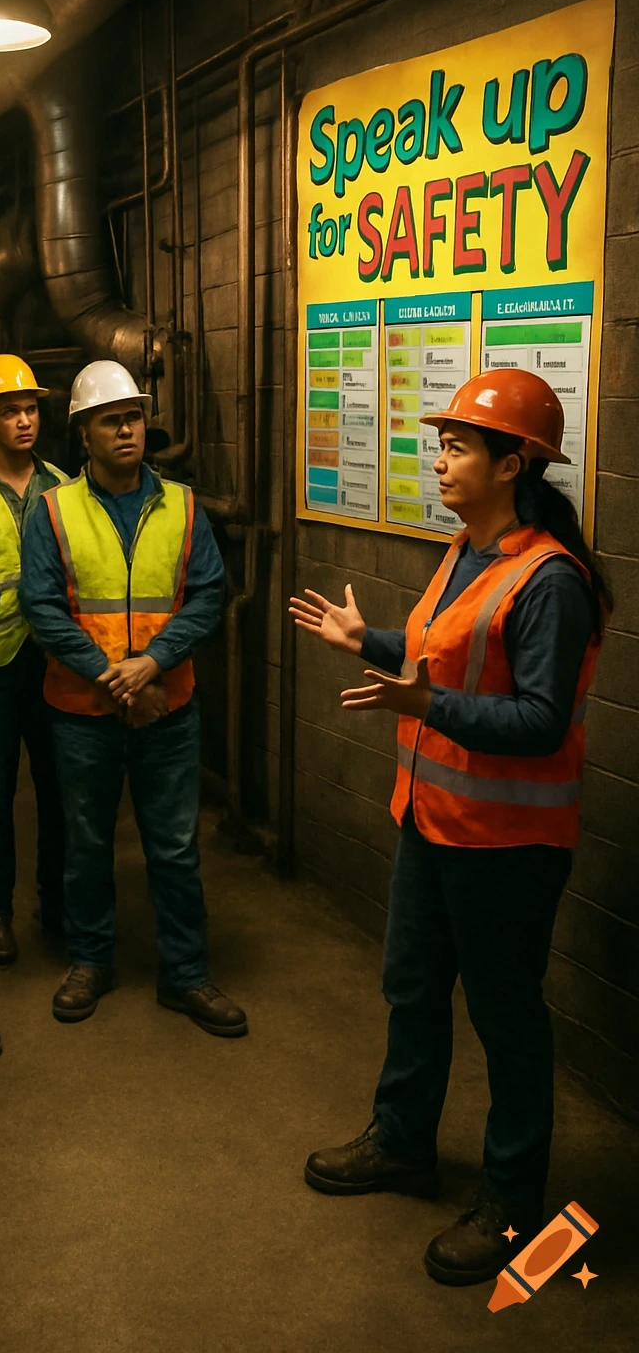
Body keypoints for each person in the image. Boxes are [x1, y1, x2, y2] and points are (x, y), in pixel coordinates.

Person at [291, 369, 609, 1287]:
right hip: (433, 823)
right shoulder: (467, 550)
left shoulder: (553, 580)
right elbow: (442, 662)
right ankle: (402, 1143)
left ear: (513, 464)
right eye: (444, 442)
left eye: (460, 445)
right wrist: (373, 644)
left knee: (506, 1019)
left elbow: (540, 720)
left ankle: (512, 1205)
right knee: (413, 989)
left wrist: (427, 702)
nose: (442, 458)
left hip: (509, 845)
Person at [20, 359, 247, 1036]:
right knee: (87, 842)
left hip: (167, 708)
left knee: (175, 846)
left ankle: (186, 974)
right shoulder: (53, 511)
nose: (126, 428)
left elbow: (209, 595)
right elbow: (42, 606)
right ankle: (92, 960)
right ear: (82, 434)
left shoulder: (181, 505)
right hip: (82, 713)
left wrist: (152, 663)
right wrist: (110, 675)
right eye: (109, 420)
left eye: (133, 416)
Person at [0, 354, 68, 966]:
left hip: (53, 659)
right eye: (9, 411)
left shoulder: (63, 486)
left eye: (30, 409)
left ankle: (55, 906)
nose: (24, 420)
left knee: (57, 790)